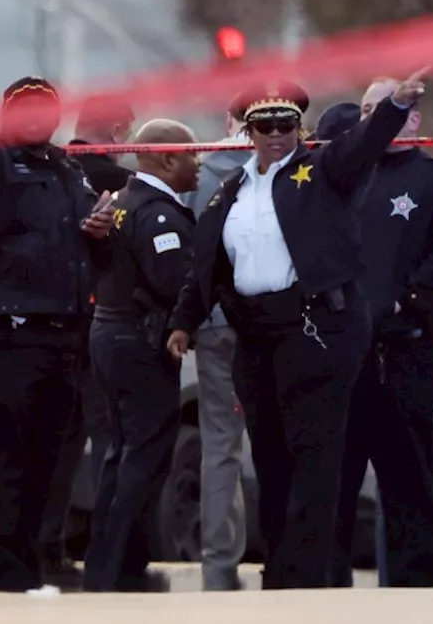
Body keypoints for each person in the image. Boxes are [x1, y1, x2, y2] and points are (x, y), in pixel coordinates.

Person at [166, 70, 428, 589]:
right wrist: (183, 322)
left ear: (301, 127)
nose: (277, 133)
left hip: (318, 333)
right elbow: (207, 267)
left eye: (287, 122)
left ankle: (304, 580)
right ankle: (280, 572)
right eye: (265, 125)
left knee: (315, 460)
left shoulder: (323, 171)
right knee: (268, 457)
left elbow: (362, 145)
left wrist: (394, 107)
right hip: (256, 340)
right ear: (247, 131)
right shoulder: (230, 192)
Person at [0, 77, 115, 594]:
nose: (35, 117)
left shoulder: (70, 172)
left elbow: (94, 255)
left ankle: (32, 564)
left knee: (49, 459)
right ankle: (6, 570)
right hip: (10, 333)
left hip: (66, 334)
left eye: (45, 108)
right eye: (24, 108)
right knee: (5, 451)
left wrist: (102, 234)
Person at [332, 78, 433, 588]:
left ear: (412, 118)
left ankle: (413, 593)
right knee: (336, 478)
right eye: (368, 110)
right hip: (345, 353)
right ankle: (325, 588)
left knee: (408, 481)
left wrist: (410, 299)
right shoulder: (344, 176)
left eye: (386, 110)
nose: (375, 119)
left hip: (404, 352)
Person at [82, 120, 201, 592]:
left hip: (111, 338)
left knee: (120, 455)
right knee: (144, 456)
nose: (200, 162)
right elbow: (175, 284)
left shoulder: (120, 206)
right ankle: (115, 568)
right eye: (193, 153)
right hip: (139, 343)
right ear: (168, 159)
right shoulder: (157, 216)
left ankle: (111, 564)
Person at [40, 99, 135, 587]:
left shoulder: (50, 173)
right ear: (118, 127)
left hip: (44, 325)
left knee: (49, 444)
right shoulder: (122, 185)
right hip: (103, 326)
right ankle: (107, 552)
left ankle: (44, 545)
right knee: (108, 443)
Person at [185, 97, 252, 592]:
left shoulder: (199, 175)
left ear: (227, 120)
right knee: (281, 443)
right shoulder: (284, 172)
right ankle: (289, 557)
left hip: (212, 325)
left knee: (220, 444)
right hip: (269, 326)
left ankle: (219, 563)